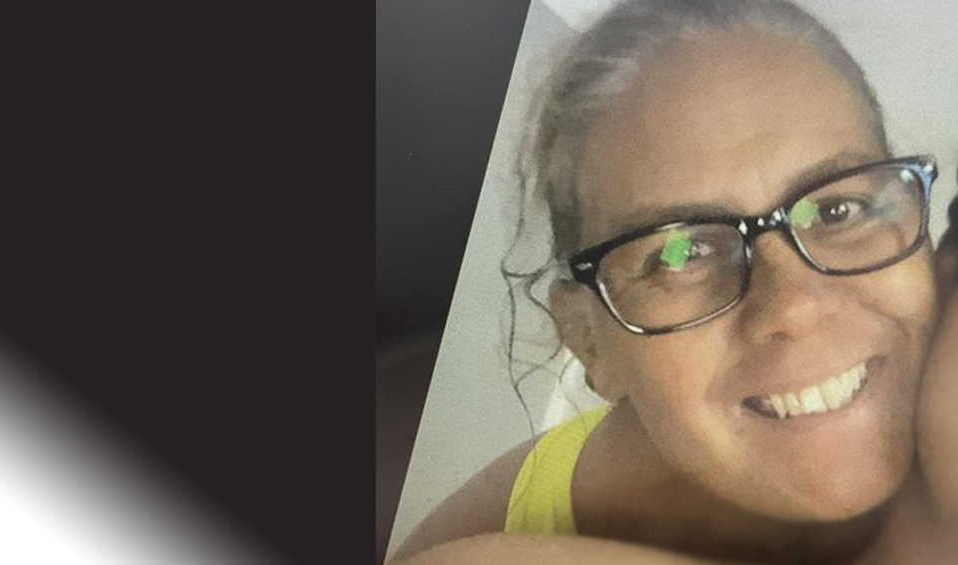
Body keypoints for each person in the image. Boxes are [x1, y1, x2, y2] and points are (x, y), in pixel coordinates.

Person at [390, 1, 940, 563]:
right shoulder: (494, 534)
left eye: (838, 210)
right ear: (588, 341)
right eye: (683, 252)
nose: (795, 306)